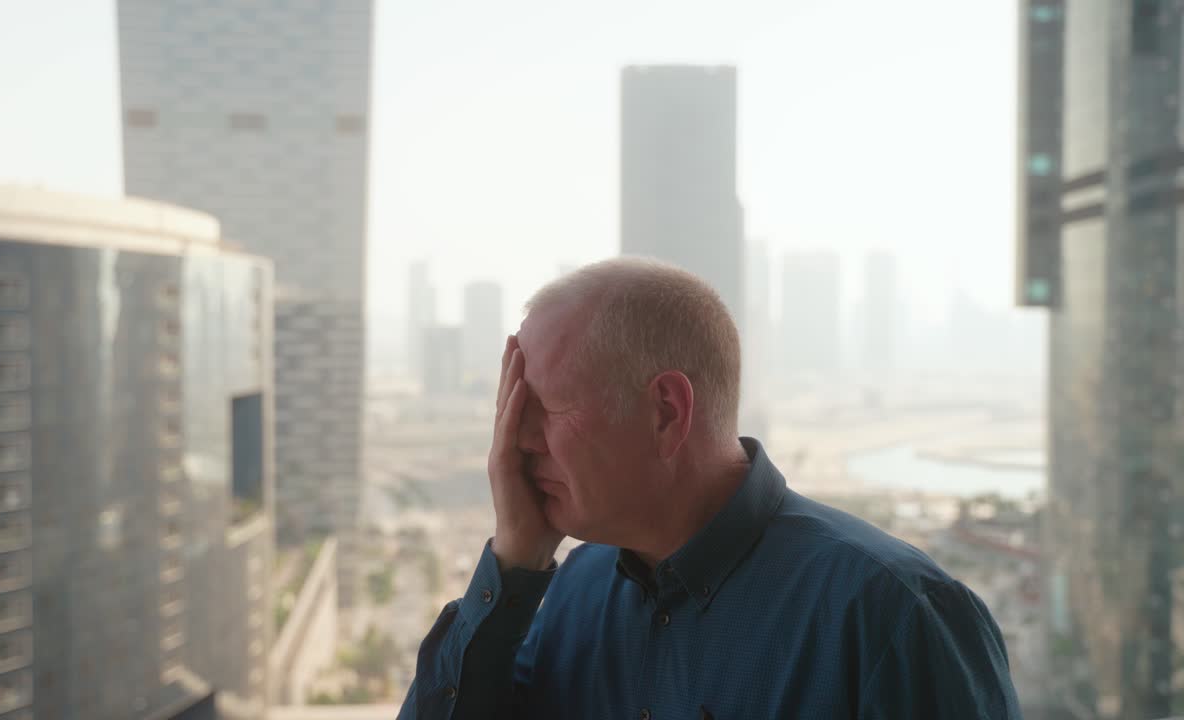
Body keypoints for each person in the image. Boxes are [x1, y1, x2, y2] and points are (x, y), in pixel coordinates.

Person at [398, 258, 1022, 719]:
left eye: (543, 409)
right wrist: (512, 563)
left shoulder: (891, 614)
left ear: (666, 411)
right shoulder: (568, 597)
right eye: (510, 411)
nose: (516, 443)